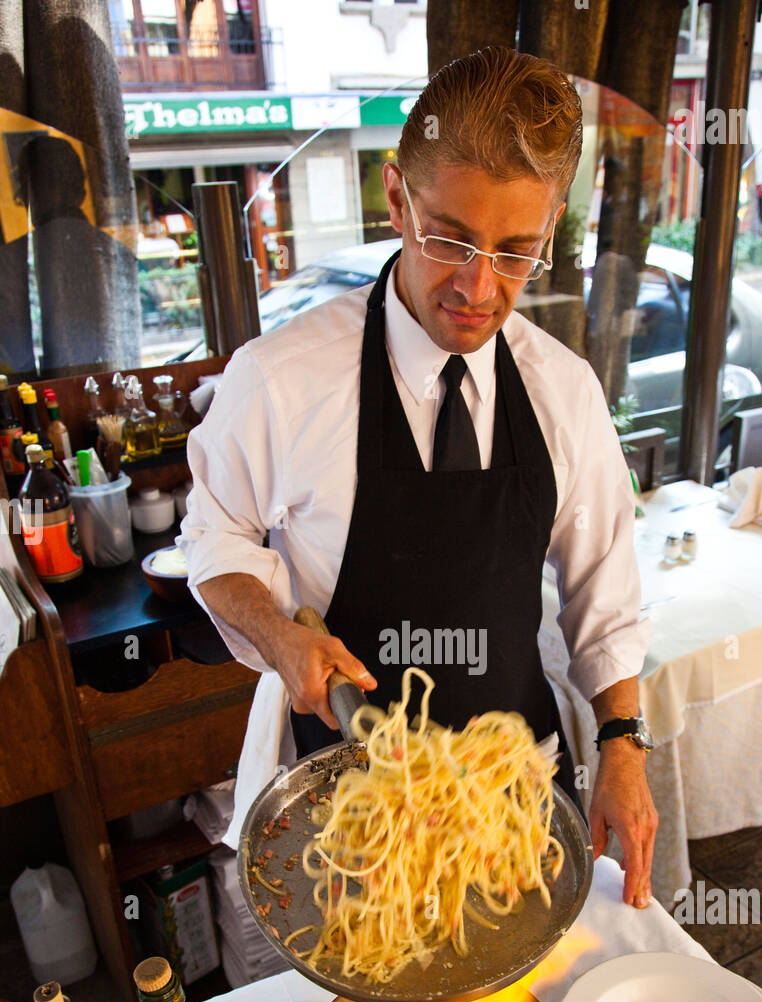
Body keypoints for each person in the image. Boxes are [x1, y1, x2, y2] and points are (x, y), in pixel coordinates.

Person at [179, 46, 658, 907]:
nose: (479, 287)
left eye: (516, 252)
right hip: (347, 811)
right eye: (451, 239)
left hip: (515, 803)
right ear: (398, 197)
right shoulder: (281, 378)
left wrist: (622, 741)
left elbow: (604, 598)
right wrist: (282, 637)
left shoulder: (564, 392)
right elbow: (215, 540)